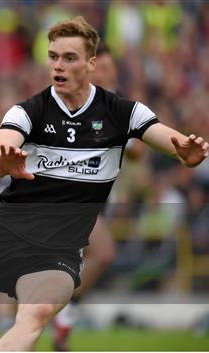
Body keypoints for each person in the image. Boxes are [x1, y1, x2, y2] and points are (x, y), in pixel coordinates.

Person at [0, 16, 209, 351]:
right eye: (53, 56)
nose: (58, 65)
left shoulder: (122, 112)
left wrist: (184, 150)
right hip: (5, 235)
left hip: (59, 251)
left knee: (34, 317)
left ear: (90, 63)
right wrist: (0, 162)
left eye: (69, 58)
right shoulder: (31, 111)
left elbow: (168, 138)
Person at [52, 43, 145, 351]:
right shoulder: (73, 103)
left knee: (67, 263)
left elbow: (138, 151)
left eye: (110, 68)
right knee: (103, 253)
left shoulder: (118, 107)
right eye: (100, 68)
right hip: (66, 196)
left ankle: (61, 314)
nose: (107, 74)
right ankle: (59, 313)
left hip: (92, 200)